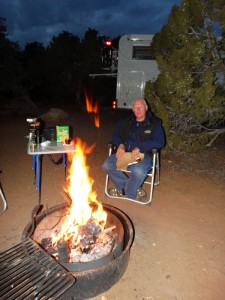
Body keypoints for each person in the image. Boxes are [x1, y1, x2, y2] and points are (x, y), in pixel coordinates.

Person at [102, 98, 165, 202]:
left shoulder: (154, 123)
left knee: (138, 171)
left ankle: (126, 192)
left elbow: (160, 141)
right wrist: (120, 144)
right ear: (132, 109)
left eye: (140, 107)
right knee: (107, 165)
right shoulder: (126, 122)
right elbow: (116, 135)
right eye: (135, 107)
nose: (138, 109)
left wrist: (141, 147)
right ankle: (129, 187)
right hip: (126, 154)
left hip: (144, 155)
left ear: (146, 108)